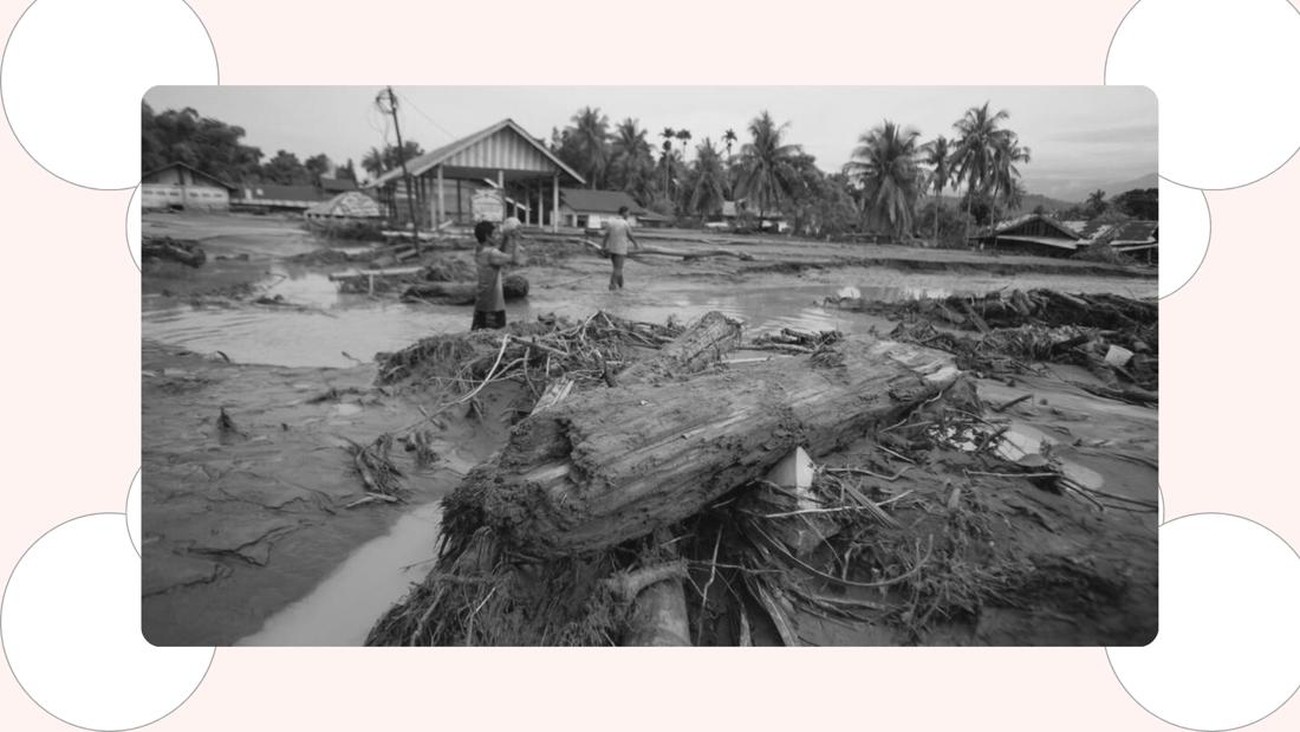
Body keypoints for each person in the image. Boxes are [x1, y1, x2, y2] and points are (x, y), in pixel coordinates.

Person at [471, 218, 524, 331]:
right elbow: (515, 260)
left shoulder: (480, 249)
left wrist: (506, 237)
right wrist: (516, 238)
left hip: (481, 304)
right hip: (493, 307)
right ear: (487, 236)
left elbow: (500, 252)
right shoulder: (491, 254)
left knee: (476, 338)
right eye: (495, 234)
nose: (497, 236)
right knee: (494, 341)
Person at [601, 206, 640, 290]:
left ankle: (621, 285)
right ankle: (612, 285)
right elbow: (630, 235)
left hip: (612, 248)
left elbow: (606, 236)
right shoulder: (625, 223)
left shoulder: (611, 222)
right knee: (618, 268)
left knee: (616, 267)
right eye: (628, 213)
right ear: (624, 212)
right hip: (621, 249)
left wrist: (603, 246)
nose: (629, 214)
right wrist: (635, 244)